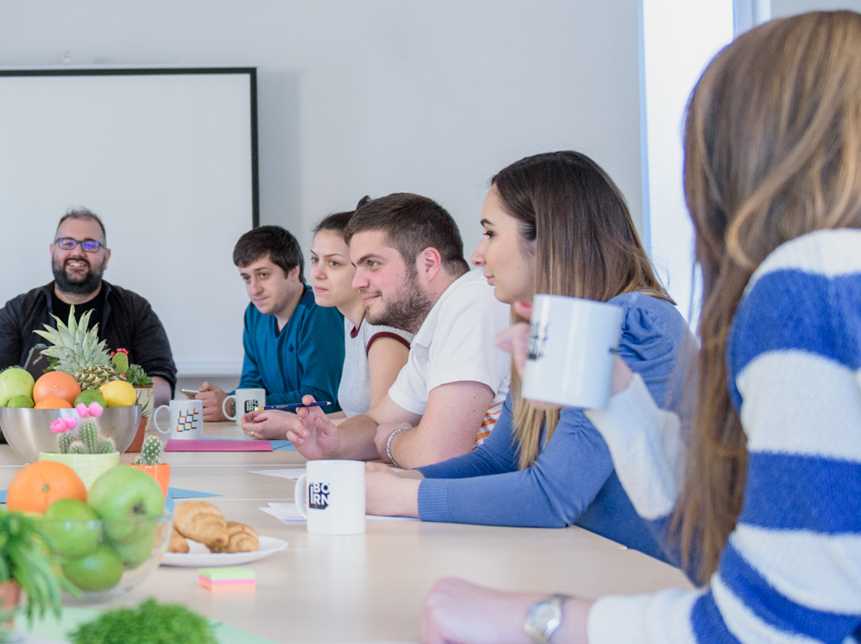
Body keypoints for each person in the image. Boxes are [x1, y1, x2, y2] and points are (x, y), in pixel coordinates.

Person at [419, 12, 861, 644]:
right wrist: (617, 399)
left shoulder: (811, 286)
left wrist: (533, 619)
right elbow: (750, 539)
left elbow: (775, 643)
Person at [364, 152, 684, 563]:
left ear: (549, 240)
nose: (478, 256)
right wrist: (396, 479)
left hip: (650, 585)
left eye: (491, 234)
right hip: (590, 567)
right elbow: (500, 459)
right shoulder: (552, 328)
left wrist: (404, 493)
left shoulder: (636, 323)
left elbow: (553, 496)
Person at [284, 194, 511, 468]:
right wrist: (333, 440)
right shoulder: (431, 331)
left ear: (428, 264)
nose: (358, 282)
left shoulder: (473, 301)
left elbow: (436, 454)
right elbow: (378, 420)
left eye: (372, 264)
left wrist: (393, 440)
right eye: (356, 266)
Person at [0, 209, 177, 408]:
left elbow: (162, 381)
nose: (77, 252)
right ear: (52, 251)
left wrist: (116, 407)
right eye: (67, 243)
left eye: (90, 245)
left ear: (107, 257)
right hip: (35, 431)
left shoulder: (136, 310)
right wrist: (25, 409)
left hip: (115, 433)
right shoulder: (18, 310)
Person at [241, 210, 409, 437]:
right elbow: (355, 415)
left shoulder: (383, 334)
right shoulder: (351, 325)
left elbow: (382, 428)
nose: (317, 273)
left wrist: (292, 425)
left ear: (363, 267)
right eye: (314, 260)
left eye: (333, 263)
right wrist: (297, 421)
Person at [192, 225, 344, 420]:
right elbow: (251, 385)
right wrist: (225, 403)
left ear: (293, 271)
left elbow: (320, 400)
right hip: (276, 434)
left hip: (324, 437)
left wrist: (234, 406)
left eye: (263, 275)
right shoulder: (255, 313)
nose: (254, 289)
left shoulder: (320, 311)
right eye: (246, 278)